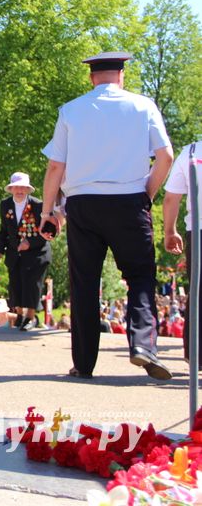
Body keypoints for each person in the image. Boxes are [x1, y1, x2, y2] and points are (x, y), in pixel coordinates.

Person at [39, 51, 174, 381]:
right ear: (121, 76)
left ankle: (84, 364)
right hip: (129, 200)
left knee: (84, 282)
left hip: (83, 203)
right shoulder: (143, 106)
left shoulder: (71, 110)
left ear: (92, 79)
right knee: (140, 276)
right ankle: (143, 345)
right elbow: (166, 156)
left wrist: (48, 212)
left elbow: (56, 166)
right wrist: (147, 193)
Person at [0, 173, 51, 332]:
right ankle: (19, 315)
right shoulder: (5, 205)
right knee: (15, 283)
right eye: (16, 187)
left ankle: (30, 317)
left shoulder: (38, 206)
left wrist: (29, 243)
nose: (20, 190)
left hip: (37, 253)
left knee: (32, 283)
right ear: (11, 189)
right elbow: (4, 230)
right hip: (14, 252)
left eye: (23, 187)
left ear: (28, 189)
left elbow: (46, 232)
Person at [163, 138, 202, 364]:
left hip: (197, 230)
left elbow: (171, 198)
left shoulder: (191, 152)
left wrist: (170, 230)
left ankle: (196, 354)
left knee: (198, 292)